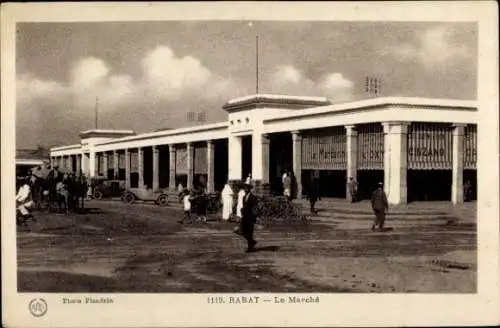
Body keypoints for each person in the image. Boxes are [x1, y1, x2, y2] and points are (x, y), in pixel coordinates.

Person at [238, 183, 259, 253]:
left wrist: (255, 217)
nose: (245, 190)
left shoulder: (253, 197)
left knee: (250, 232)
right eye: (244, 188)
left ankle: (250, 248)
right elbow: (244, 206)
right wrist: (242, 209)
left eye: (247, 188)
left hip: (250, 217)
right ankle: (252, 241)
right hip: (244, 216)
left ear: (249, 189)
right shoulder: (244, 197)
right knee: (242, 231)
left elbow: (255, 208)